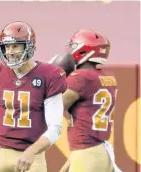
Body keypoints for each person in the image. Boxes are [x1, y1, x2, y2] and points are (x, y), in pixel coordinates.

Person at [0, 21, 67, 172]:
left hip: (32, 155)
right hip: (0, 151)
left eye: (15, 46)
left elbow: (55, 128)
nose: (10, 51)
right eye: (7, 47)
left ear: (29, 46)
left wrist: (32, 151)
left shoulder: (49, 75)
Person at [52, 29, 121, 172]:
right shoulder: (107, 76)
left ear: (83, 50)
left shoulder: (80, 77)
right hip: (101, 150)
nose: (70, 51)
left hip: (86, 154)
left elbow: (54, 108)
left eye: (74, 46)